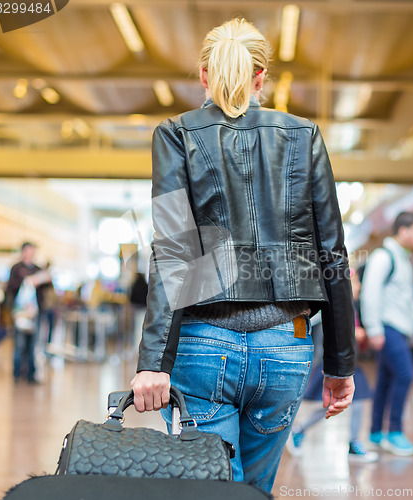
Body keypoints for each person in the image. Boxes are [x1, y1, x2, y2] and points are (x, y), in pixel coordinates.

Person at [130, 18, 355, 493]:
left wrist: (153, 361)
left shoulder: (177, 134)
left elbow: (175, 251)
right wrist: (340, 362)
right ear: (260, 78)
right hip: (285, 345)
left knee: (212, 488)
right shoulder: (303, 135)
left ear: (204, 75)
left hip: (203, 343)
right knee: (255, 489)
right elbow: (331, 251)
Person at [286, 269, 378, 463]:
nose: (359, 287)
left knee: (346, 401)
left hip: (347, 364)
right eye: (356, 282)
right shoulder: (334, 309)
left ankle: (350, 441)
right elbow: (328, 336)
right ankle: (301, 431)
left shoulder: (351, 307)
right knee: (333, 403)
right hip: (335, 365)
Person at [360, 212, 413, 456]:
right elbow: (370, 294)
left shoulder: (404, 259)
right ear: (404, 231)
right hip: (388, 329)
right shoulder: (383, 256)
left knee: (386, 380)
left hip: (399, 329)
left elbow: (409, 298)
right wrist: (374, 329)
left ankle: (376, 432)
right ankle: (395, 432)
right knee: (405, 374)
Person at [6, 242, 41, 383]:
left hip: (34, 313)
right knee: (19, 344)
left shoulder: (38, 269)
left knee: (33, 345)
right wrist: (26, 281)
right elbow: (11, 287)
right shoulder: (16, 268)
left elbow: (45, 291)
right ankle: (17, 373)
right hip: (20, 312)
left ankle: (31, 374)